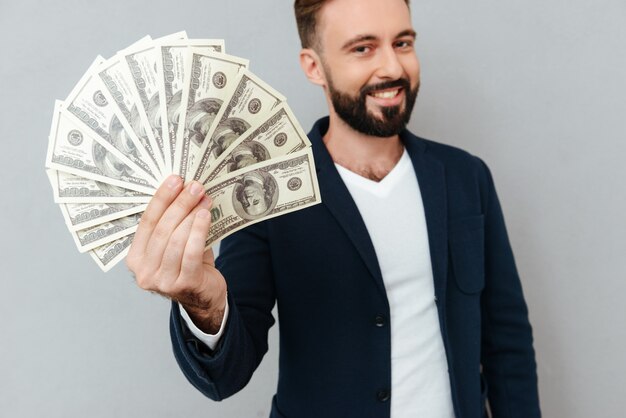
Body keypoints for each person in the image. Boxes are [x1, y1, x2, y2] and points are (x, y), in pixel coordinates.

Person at [126, 0, 541, 417]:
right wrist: (204, 304)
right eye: (363, 48)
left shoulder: (466, 176)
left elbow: (508, 345)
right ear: (314, 66)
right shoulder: (264, 194)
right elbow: (226, 374)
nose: (392, 67)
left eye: (402, 42)